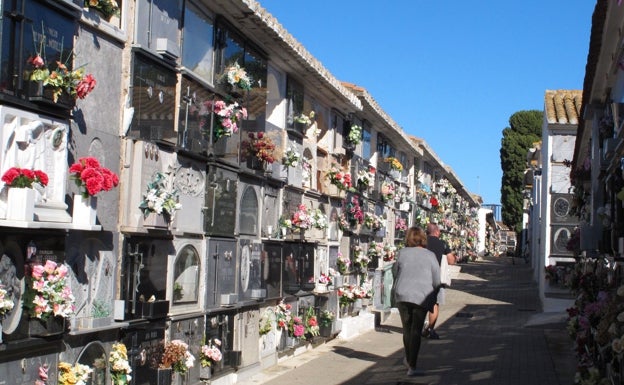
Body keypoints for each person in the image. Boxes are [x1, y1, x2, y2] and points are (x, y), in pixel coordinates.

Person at [392, 226, 441, 376]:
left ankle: (408, 359)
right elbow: (437, 280)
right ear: (423, 238)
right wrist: (434, 295)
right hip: (421, 295)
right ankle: (412, 366)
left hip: (402, 294)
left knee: (407, 329)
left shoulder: (402, 253)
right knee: (416, 330)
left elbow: (395, 272)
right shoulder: (430, 255)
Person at [424, 223, 456, 339]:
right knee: (434, 305)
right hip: (437, 278)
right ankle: (430, 330)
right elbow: (451, 261)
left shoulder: (422, 242)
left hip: (422, 276)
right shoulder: (442, 244)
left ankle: (417, 328)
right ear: (437, 232)